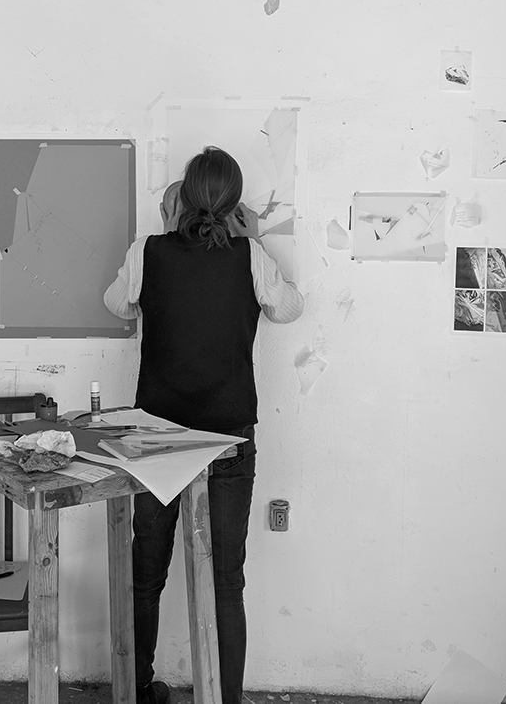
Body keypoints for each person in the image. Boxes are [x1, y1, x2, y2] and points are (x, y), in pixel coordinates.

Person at [103, 146, 304, 704]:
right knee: (226, 583)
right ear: (236, 202)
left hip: (157, 439)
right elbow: (288, 308)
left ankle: (139, 691)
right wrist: (253, 239)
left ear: (182, 197)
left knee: (146, 575)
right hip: (228, 438)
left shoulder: (149, 251)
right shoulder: (249, 255)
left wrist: (167, 237)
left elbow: (117, 304)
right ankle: (225, 699)